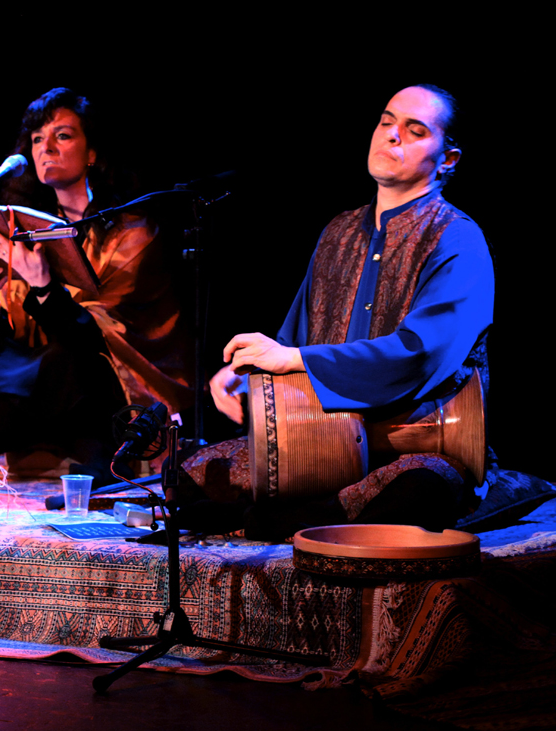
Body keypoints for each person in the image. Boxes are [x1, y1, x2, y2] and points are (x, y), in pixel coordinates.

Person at [187, 84, 493, 539]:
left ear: (447, 159)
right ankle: (296, 518)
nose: (392, 136)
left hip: (416, 445)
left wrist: (292, 360)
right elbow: (294, 340)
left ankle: (294, 519)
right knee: (194, 476)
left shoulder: (456, 240)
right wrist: (246, 372)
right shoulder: (339, 232)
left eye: (414, 130)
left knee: (421, 492)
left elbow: (419, 353)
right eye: (386, 122)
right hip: (321, 443)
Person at [0, 88, 193, 481]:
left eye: (62, 136)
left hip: (118, 393)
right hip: (50, 395)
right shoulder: (25, 231)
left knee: (59, 362)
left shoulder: (132, 232)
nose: (45, 148)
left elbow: (96, 341)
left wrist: (45, 289)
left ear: (91, 153)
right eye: (36, 140)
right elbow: (17, 342)